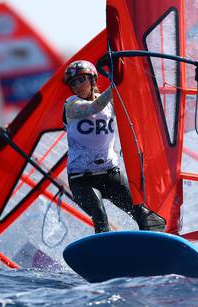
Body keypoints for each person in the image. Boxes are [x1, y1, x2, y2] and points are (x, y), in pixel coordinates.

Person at [63, 60, 166, 233]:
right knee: (100, 217)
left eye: (81, 80)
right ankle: (104, 256)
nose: (78, 86)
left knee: (142, 213)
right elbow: (93, 108)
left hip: (110, 174)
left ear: (92, 79)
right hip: (81, 180)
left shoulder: (110, 104)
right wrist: (116, 85)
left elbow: (135, 111)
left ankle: (156, 245)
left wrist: (140, 82)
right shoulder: (71, 105)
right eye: (73, 83)